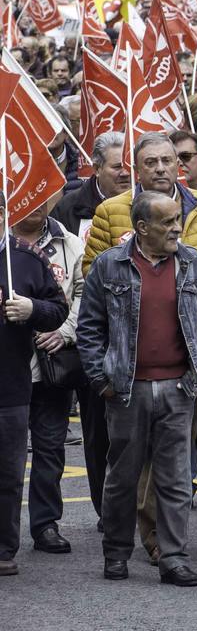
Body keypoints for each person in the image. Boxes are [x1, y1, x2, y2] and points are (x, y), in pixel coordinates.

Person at [82, 132, 197, 563]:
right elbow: (93, 312)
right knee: (125, 473)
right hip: (127, 382)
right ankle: (119, 550)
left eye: (170, 160)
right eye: (153, 161)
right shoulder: (111, 229)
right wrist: (101, 376)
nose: (164, 168)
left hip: (184, 378)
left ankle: (169, 552)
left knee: (174, 472)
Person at [0, 200, 70, 577]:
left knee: (8, 474)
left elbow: (57, 308)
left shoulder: (26, 259)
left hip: (9, 385)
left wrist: (31, 310)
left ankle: (3, 548)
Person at [14, 198, 84, 556]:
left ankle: (45, 524)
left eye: (44, 197)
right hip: (9, 369)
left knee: (50, 449)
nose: (36, 205)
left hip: (52, 367)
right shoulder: (4, 244)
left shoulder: (69, 243)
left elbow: (84, 294)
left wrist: (65, 331)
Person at [53, 132, 131, 239]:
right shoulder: (67, 208)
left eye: (128, 165)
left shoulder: (147, 201)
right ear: (97, 169)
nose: (125, 173)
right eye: (117, 167)